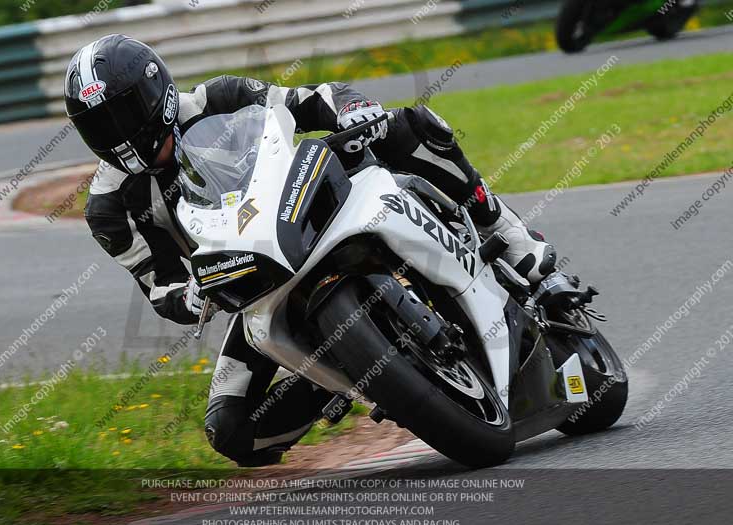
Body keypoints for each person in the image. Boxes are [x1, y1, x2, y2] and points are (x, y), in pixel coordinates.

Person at [65, 34, 556, 466]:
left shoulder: (218, 97)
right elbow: (159, 287)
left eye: (125, 111)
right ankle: (343, 371)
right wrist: (188, 298)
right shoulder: (109, 210)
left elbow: (310, 100)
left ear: (157, 91)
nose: (120, 132)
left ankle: (515, 243)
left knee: (405, 127)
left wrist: (349, 107)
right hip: (252, 279)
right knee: (232, 431)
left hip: (307, 202)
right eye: (100, 126)